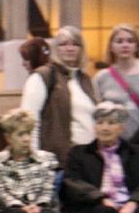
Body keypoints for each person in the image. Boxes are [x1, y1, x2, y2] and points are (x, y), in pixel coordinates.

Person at [20, 26, 98, 168]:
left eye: (75, 44)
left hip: (88, 161)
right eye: (63, 44)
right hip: (57, 164)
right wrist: (34, 158)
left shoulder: (86, 80)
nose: (70, 48)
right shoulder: (43, 76)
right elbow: (28, 122)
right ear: (55, 48)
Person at [94, 24, 139, 140]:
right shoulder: (101, 77)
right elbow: (97, 114)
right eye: (119, 41)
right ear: (111, 47)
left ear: (136, 46)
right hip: (115, 144)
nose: (125, 45)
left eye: (130, 41)